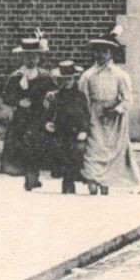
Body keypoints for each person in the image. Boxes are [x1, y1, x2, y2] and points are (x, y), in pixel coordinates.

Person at [78, 26, 140, 194]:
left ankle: (106, 185)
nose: (101, 55)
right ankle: (92, 183)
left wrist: (117, 109)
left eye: (105, 51)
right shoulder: (87, 76)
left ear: (111, 53)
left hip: (114, 121)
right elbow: (82, 99)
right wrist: (86, 115)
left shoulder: (120, 76)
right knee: (93, 149)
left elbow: (127, 99)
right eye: (97, 51)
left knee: (111, 151)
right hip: (94, 117)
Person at [0, 33, 54, 190]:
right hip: (22, 118)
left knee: (37, 146)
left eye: (34, 56)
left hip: (39, 117)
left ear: (39, 58)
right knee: (23, 147)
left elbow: (54, 92)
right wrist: (18, 102)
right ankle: (28, 177)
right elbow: (6, 96)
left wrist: (50, 98)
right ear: (22, 58)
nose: (31, 60)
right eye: (27, 57)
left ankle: (33, 176)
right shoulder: (16, 76)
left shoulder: (45, 76)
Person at [44, 60, 91, 194]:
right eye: (63, 80)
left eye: (69, 79)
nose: (67, 82)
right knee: (61, 154)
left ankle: (74, 179)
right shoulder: (56, 96)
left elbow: (85, 115)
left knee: (76, 152)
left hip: (75, 132)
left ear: (74, 79)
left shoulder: (80, 96)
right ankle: (66, 181)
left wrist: (84, 130)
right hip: (60, 132)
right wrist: (48, 123)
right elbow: (49, 113)